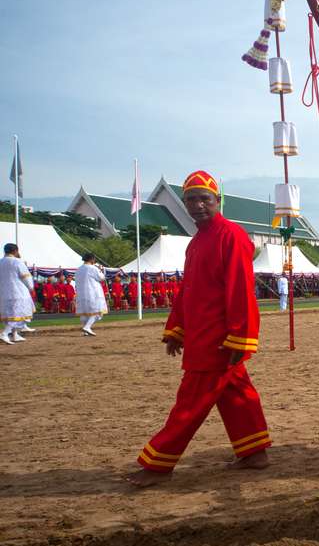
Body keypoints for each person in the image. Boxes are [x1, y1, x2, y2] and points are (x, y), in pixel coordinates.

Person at [126, 170, 271, 487]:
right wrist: (176, 329)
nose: (198, 205)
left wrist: (240, 338)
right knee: (237, 396)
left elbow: (240, 290)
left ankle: (157, 465)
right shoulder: (196, 243)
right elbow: (188, 290)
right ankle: (255, 453)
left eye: (205, 199)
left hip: (218, 340)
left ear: (218, 201)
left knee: (190, 403)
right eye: (191, 200)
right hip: (200, 336)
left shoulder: (231, 235)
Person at [1, 243, 36, 344]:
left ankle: (15, 335)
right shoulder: (17, 262)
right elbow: (26, 277)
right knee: (20, 313)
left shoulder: (0, 262)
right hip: (18, 292)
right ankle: (5, 333)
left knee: (9, 314)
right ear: (15, 251)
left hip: (3, 293)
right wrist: (31, 287)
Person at [74, 253, 108, 336]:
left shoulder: (78, 269)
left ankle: (86, 330)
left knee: (84, 312)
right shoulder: (93, 268)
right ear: (91, 259)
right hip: (93, 292)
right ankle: (87, 327)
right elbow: (101, 278)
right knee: (98, 311)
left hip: (81, 293)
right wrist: (100, 270)